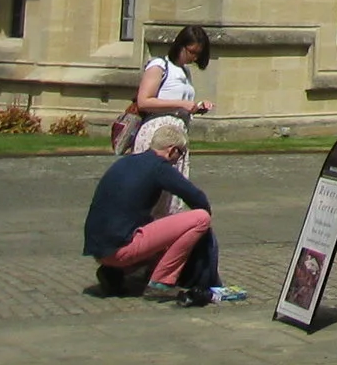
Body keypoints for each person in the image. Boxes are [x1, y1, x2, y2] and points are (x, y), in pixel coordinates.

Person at [83, 118, 228, 305]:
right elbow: (197, 198)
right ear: (172, 150)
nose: (179, 159)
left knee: (156, 226)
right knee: (200, 219)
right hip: (120, 250)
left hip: (99, 248)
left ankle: (114, 273)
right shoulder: (160, 167)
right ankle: (161, 283)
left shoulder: (126, 162)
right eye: (180, 154)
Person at [116, 23, 213, 160]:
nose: (195, 58)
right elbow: (143, 101)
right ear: (181, 46)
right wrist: (181, 104)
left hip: (178, 136)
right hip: (157, 135)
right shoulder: (159, 66)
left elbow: (182, 104)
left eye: (198, 54)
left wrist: (197, 106)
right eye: (192, 52)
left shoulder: (185, 71)